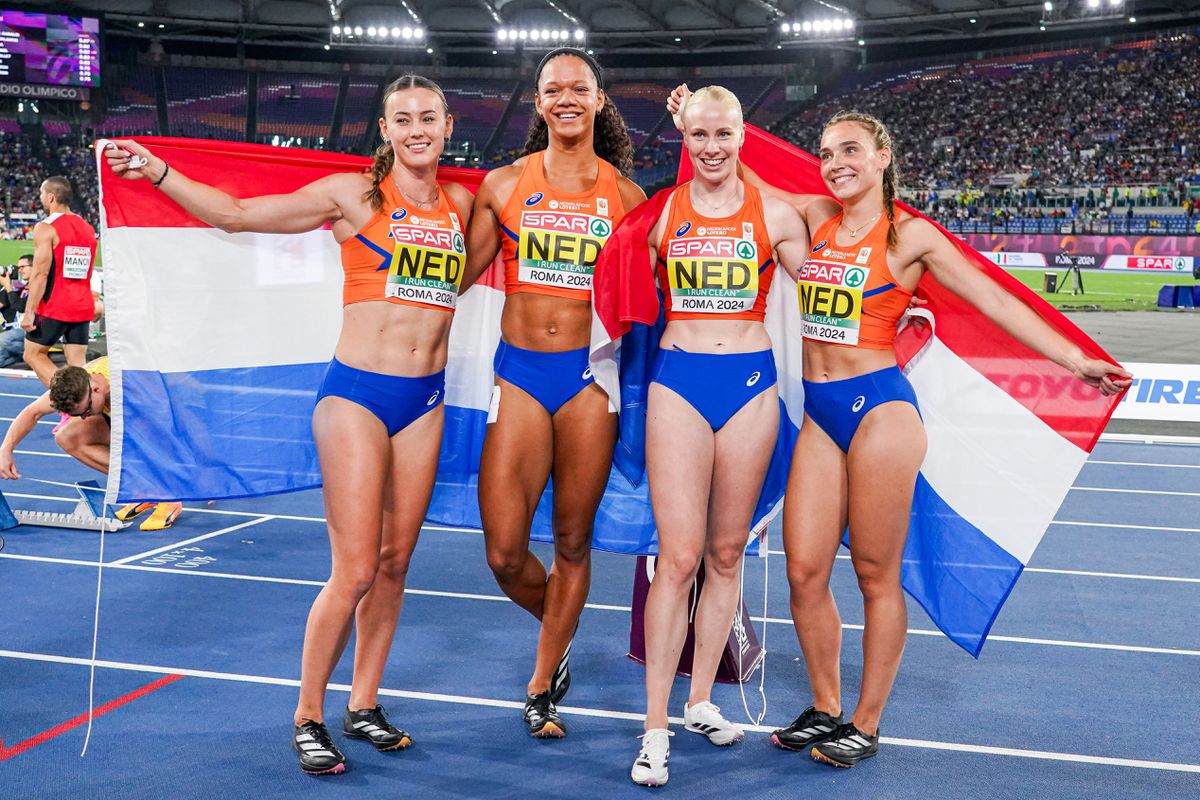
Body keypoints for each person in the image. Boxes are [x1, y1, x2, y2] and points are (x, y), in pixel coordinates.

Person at [104, 74, 474, 776]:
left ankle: (363, 704)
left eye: (429, 117)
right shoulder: (352, 197)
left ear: (449, 124)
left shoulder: (461, 203)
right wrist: (157, 170)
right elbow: (239, 216)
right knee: (357, 567)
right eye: (404, 119)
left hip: (425, 401)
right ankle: (308, 712)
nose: (418, 128)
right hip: (358, 398)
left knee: (396, 565)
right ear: (386, 131)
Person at [757, 111, 1130, 767]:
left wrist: (1075, 361)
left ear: (881, 157)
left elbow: (996, 301)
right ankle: (824, 706)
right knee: (804, 570)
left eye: (850, 150)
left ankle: (866, 722)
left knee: (875, 573)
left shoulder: (910, 236)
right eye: (825, 153)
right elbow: (740, 180)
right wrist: (704, 124)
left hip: (880, 414)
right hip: (820, 415)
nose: (835, 162)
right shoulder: (815, 216)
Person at [628, 86, 810, 787]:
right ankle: (654, 729)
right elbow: (619, 292)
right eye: (697, 135)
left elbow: (833, 293)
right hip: (679, 384)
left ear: (743, 137)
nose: (710, 148)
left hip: (750, 389)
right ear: (683, 137)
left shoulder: (776, 215)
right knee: (677, 559)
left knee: (727, 554)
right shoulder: (660, 213)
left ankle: (701, 699)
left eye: (722, 135)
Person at [462, 47, 645, 738]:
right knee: (504, 552)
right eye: (552, 88)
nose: (566, 97)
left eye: (580, 87)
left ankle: (542, 683)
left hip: (588, 383)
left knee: (573, 541)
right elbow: (452, 276)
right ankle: (560, 625)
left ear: (599, 100)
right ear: (538, 103)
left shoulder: (627, 198)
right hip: (521, 375)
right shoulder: (503, 184)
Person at [0, 358, 184, 530]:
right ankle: (146, 490)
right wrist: (5, 449)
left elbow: (180, 426)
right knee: (67, 436)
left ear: (95, 390)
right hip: (122, 411)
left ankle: (169, 495)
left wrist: (210, 472)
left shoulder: (131, 388)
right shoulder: (77, 383)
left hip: (166, 404)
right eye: (78, 414)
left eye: (86, 410)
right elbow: (32, 412)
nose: (83, 417)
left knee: (146, 436)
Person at [20, 176, 97, 386]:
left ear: (51, 197)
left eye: (41, 194)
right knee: (77, 364)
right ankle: (92, 406)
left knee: (33, 354)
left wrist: (29, 313)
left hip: (55, 305)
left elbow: (40, 274)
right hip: (81, 305)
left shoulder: (45, 227)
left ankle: (71, 400)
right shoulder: (87, 228)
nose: (40, 197)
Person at [0, 256, 32, 367]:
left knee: (3, 339)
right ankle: (26, 357)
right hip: (19, 329)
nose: (19, 270)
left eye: (23, 267)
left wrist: (8, 286)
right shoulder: (26, 285)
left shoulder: (37, 286)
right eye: (18, 268)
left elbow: (20, 307)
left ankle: (33, 356)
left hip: (31, 329)